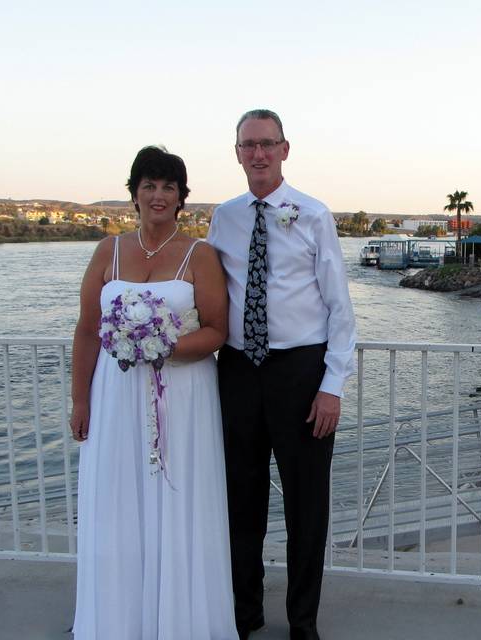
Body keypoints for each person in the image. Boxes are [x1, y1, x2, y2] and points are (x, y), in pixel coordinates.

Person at [70, 146, 237, 639]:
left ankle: (180, 620)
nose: (158, 195)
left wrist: (163, 347)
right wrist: (81, 400)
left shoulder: (199, 255)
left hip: (182, 397)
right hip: (115, 396)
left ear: (182, 198)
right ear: (134, 194)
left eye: (169, 187)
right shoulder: (108, 250)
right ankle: (119, 621)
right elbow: (86, 329)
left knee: (176, 500)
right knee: (118, 503)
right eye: (149, 185)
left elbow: (216, 331)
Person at [207, 110, 356, 640]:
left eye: (267, 144)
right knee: (240, 502)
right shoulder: (223, 217)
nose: (259, 154)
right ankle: (244, 616)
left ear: (285, 149)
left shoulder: (313, 214)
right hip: (239, 373)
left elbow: (340, 309)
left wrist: (332, 386)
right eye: (249, 145)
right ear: (238, 152)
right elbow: (210, 296)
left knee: (306, 508)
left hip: (301, 373)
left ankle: (302, 624)